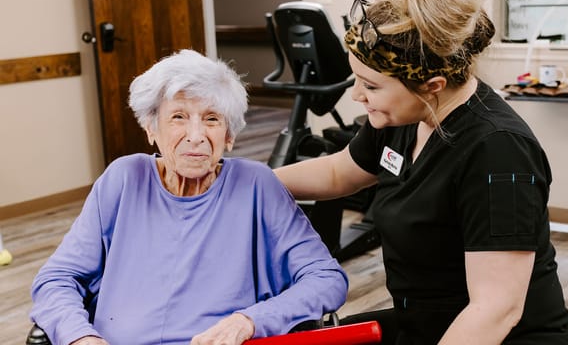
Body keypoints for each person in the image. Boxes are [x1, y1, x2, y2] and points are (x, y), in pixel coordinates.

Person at [275, 0, 568, 345]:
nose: (357, 97)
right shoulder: (404, 118)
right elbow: (339, 172)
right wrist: (240, 180)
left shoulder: (498, 151)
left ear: (432, 86)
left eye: (371, 86)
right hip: (423, 322)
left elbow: (495, 310)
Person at [29, 49, 348, 345]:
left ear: (229, 135)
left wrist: (250, 320)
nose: (195, 136)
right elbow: (56, 279)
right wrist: (80, 336)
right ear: (151, 128)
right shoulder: (123, 180)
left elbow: (326, 278)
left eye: (211, 119)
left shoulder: (256, 186)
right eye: (178, 117)